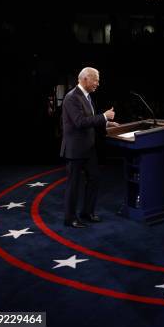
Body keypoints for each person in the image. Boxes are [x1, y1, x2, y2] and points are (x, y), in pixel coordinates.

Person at [60, 67, 119, 228]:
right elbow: (79, 122)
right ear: (85, 79)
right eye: (96, 80)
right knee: (74, 185)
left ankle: (86, 212)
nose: (98, 84)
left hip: (88, 148)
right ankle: (70, 218)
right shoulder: (71, 97)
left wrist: (106, 122)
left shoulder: (87, 97)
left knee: (94, 178)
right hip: (75, 149)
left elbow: (90, 119)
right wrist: (104, 116)